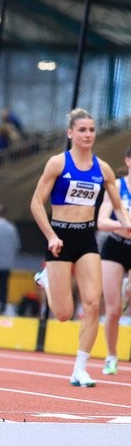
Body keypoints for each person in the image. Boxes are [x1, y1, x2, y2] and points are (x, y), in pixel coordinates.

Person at [30, 108, 131, 388]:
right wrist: (50, 235)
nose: (88, 134)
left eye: (92, 130)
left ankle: (80, 369)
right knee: (63, 313)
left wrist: (126, 222)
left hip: (86, 239)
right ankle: (47, 281)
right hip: (60, 238)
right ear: (70, 133)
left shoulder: (104, 169)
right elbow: (36, 203)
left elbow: (119, 205)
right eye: (82, 130)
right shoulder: (57, 164)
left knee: (92, 304)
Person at [96, 146, 131, 375]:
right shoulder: (118, 186)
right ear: (128, 160)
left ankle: (127, 291)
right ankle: (111, 356)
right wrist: (123, 225)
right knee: (113, 309)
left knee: (127, 295)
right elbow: (101, 221)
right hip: (115, 247)